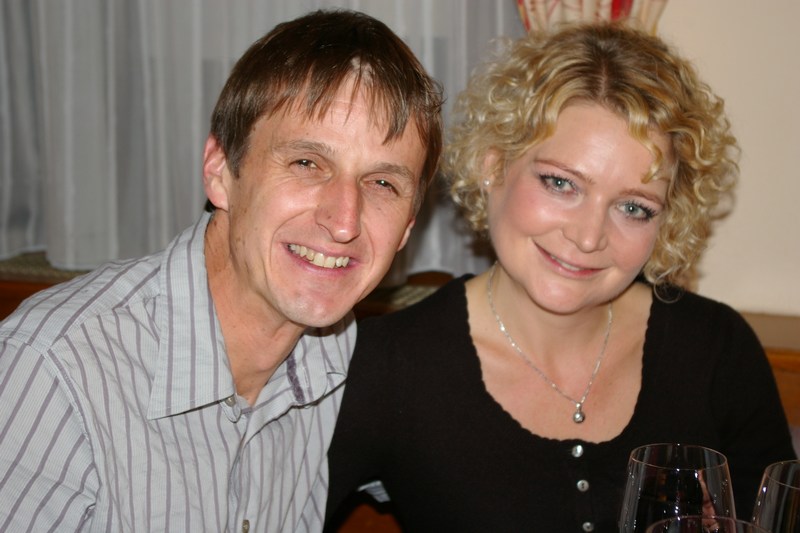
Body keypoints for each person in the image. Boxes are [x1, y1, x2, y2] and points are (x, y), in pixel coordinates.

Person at [325, 21, 796, 532]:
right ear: (493, 166)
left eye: (634, 207)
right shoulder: (388, 365)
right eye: (561, 183)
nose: (589, 237)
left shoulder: (715, 351)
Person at [0, 9, 442, 532]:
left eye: (383, 184)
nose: (344, 221)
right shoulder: (53, 373)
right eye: (306, 163)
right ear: (219, 171)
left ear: (407, 227)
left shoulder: (338, 354)